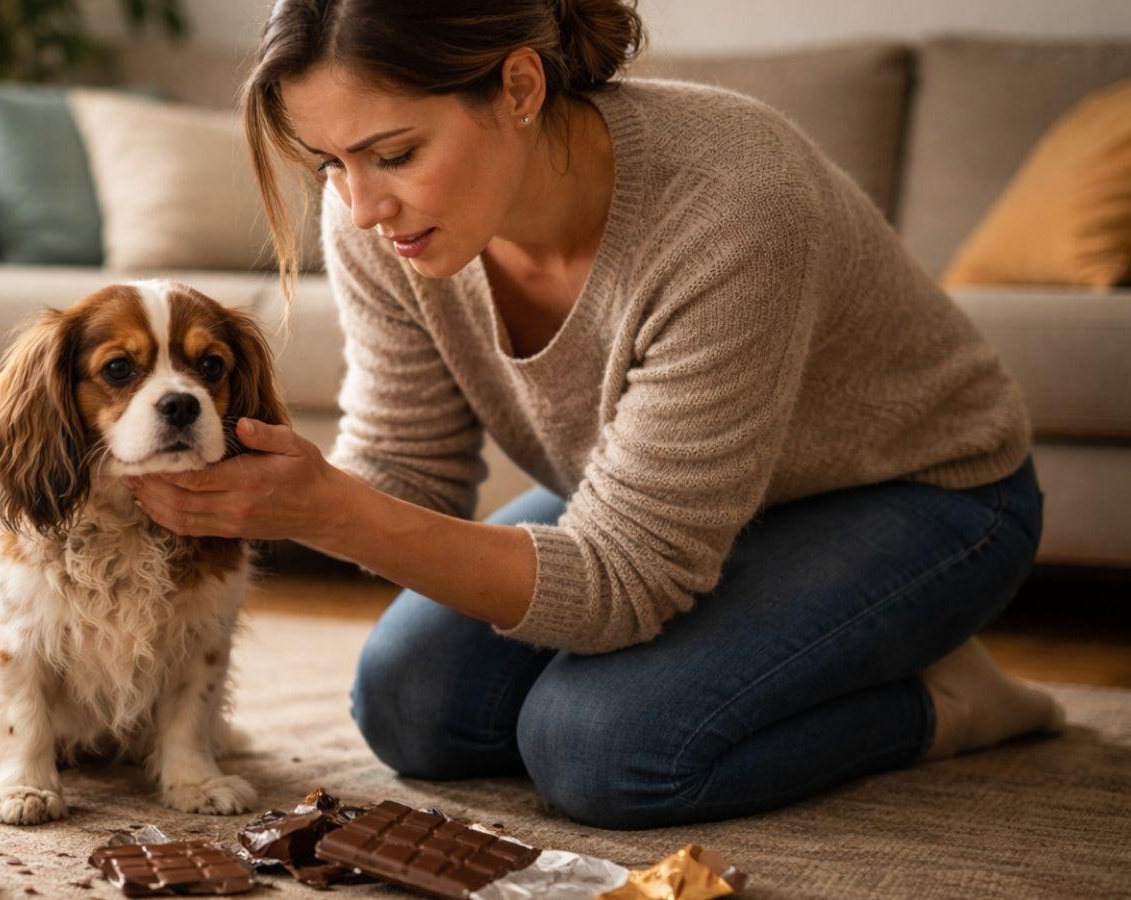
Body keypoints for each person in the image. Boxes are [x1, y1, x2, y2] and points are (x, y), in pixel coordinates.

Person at [124, 0, 1065, 829]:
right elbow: (409, 475)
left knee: (605, 752)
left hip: (923, 498)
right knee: (411, 706)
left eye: (394, 154)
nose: (363, 205)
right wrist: (250, 485)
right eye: (328, 164)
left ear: (521, 84)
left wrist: (325, 507)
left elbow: (621, 583)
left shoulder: (734, 205)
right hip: (660, 509)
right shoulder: (380, 223)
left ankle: (946, 701)